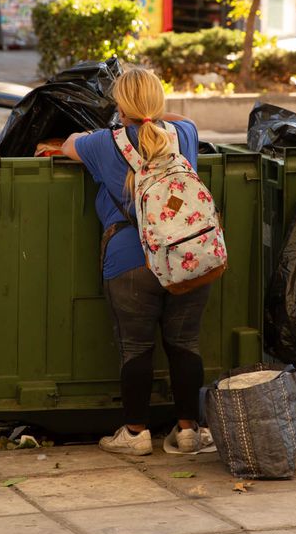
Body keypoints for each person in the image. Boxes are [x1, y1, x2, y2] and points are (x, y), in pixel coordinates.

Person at [61, 67, 211, 456]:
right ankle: (189, 430)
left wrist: (113, 124)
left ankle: (135, 433)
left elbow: (66, 144)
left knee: (136, 348)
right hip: (187, 255)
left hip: (129, 259)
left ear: (118, 105)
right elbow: (179, 120)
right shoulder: (185, 134)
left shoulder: (100, 144)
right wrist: (155, 114)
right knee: (185, 343)